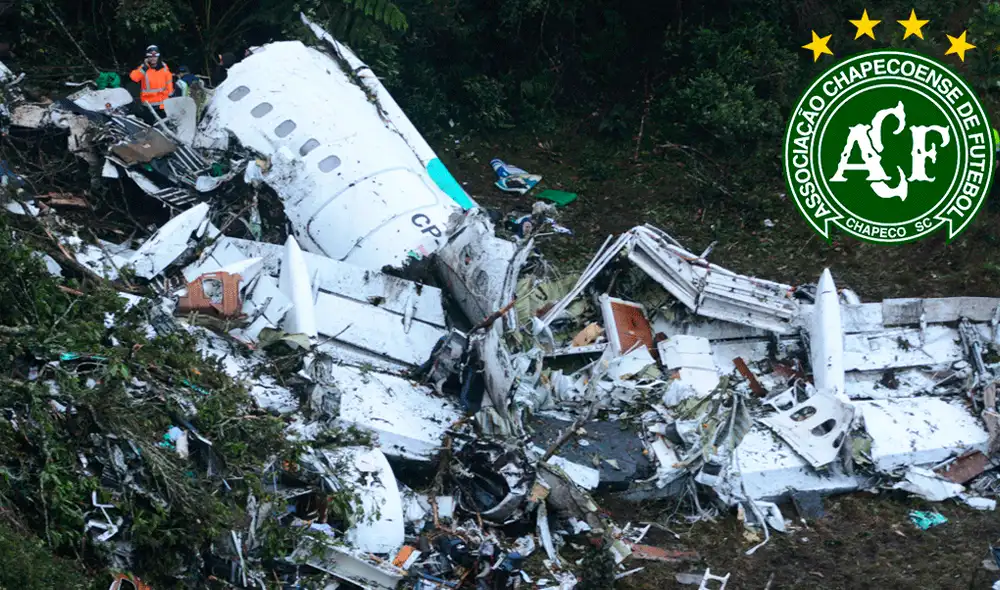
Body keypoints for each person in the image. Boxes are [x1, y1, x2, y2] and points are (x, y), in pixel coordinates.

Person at [129, 45, 173, 113]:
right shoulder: (144, 67)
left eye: (155, 56)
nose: (153, 58)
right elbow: (134, 78)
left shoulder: (164, 67)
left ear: (158, 56)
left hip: (163, 105)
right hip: (148, 106)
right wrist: (144, 68)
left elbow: (169, 84)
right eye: (150, 56)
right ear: (147, 57)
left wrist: (171, 98)